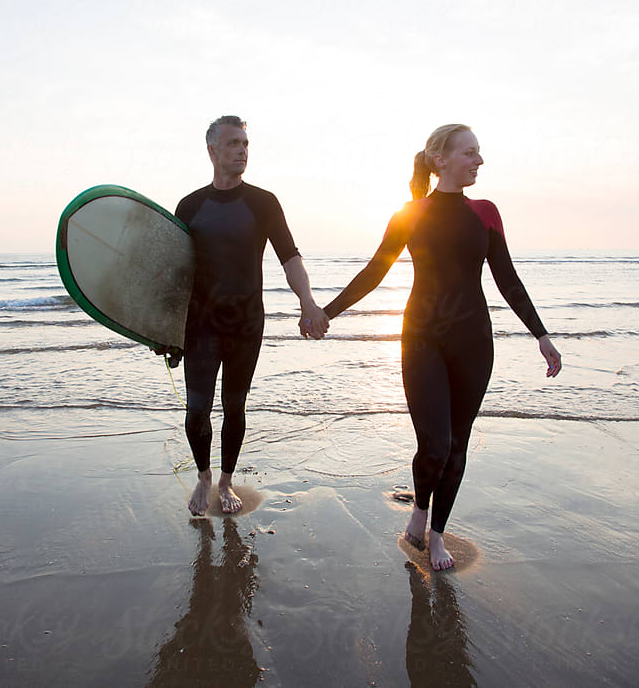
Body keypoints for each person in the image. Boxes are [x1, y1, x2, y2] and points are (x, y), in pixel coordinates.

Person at [323, 124, 561, 570]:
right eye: (470, 153)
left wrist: (541, 334)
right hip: (422, 339)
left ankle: (435, 535)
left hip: (473, 342)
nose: (479, 161)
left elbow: (507, 279)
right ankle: (419, 508)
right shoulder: (409, 214)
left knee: (457, 443)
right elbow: (374, 272)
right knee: (433, 443)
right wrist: (327, 313)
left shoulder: (486, 212)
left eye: (479, 153)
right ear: (441, 160)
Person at [175, 115, 329, 516]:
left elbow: (289, 256)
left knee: (235, 406)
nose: (242, 150)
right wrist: (162, 328)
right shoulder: (189, 206)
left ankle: (225, 482)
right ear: (212, 150)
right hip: (200, 324)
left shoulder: (263, 202)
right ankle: (204, 476)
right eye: (232, 144)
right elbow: (173, 273)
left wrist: (307, 302)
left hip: (245, 323)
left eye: (245, 143)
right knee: (196, 409)